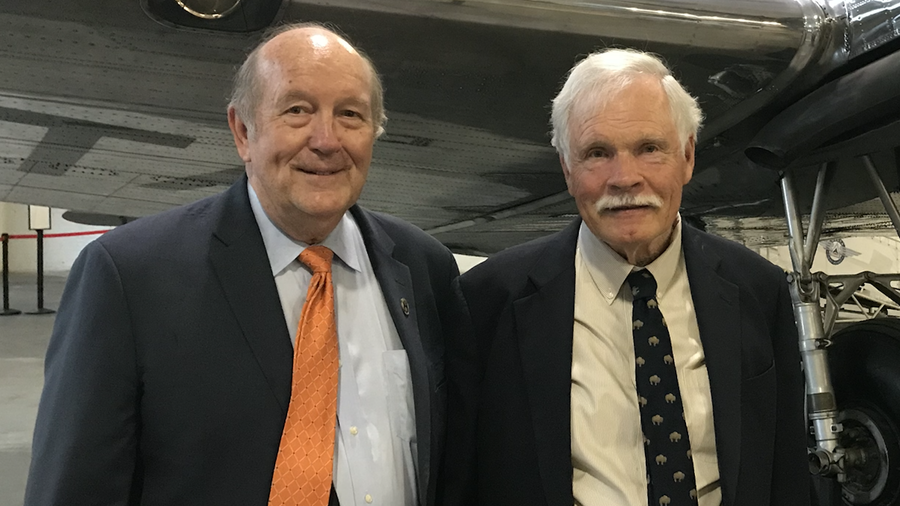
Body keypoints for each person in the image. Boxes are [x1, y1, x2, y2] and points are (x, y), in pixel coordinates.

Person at [25, 24, 459, 506]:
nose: (326, 140)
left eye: (351, 115)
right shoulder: (129, 277)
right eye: (297, 110)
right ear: (242, 131)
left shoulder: (426, 271)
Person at [441, 49, 808, 506]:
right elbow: (460, 482)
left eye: (649, 148)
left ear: (688, 156)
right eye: (597, 153)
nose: (625, 177)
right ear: (567, 169)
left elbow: (787, 469)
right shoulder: (488, 301)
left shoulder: (758, 288)